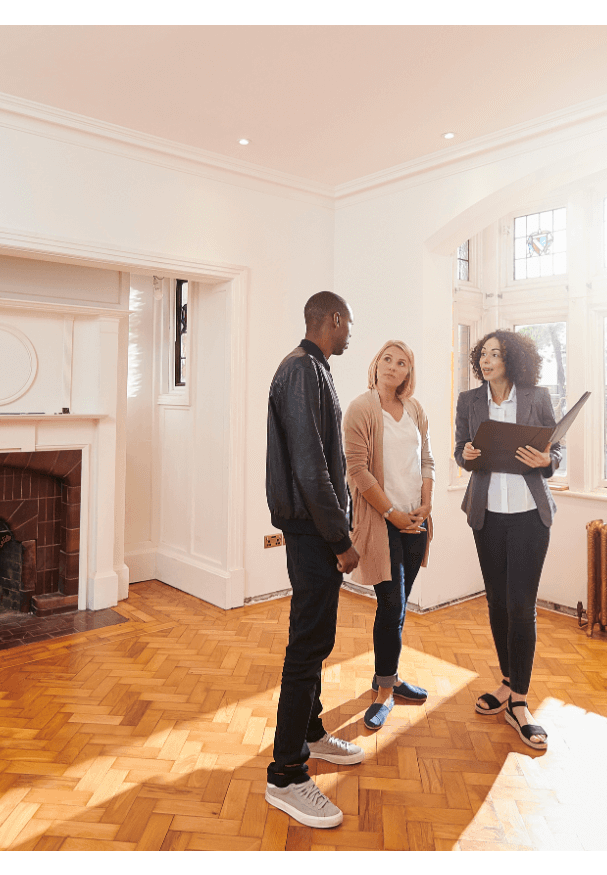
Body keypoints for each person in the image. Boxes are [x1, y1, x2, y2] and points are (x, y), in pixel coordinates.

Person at [262, 291, 367, 829]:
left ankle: (310, 732)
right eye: (348, 325)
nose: (351, 334)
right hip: (311, 532)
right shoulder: (302, 371)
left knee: (317, 636)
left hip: (311, 529)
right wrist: (341, 538)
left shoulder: (311, 368)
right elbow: (310, 468)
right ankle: (285, 775)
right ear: (333, 319)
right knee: (308, 643)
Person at [455, 330, 562, 750]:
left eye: (495, 354)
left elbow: (555, 452)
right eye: (483, 354)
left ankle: (519, 701)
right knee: (497, 603)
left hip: (529, 516)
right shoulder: (469, 401)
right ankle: (506, 680)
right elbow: (459, 450)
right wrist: (464, 456)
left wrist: (546, 460)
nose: (487, 360)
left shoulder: (535, 397)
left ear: (512, 359)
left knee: (521, 606)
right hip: (487, 515)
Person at [343, 340, 434, 731]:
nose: (393, 367)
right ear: (375, 363)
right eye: (387, 359)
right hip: (383, 523)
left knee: (399, 604)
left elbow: (426, 458)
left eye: (402, 363)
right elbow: (358, 472)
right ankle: (384, 690)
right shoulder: (361, 408)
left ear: (408, 373)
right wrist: (394, 515)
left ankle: (390, 675)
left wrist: (426, 504)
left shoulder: (414, 409)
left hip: (416, 520)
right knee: (390, 603)